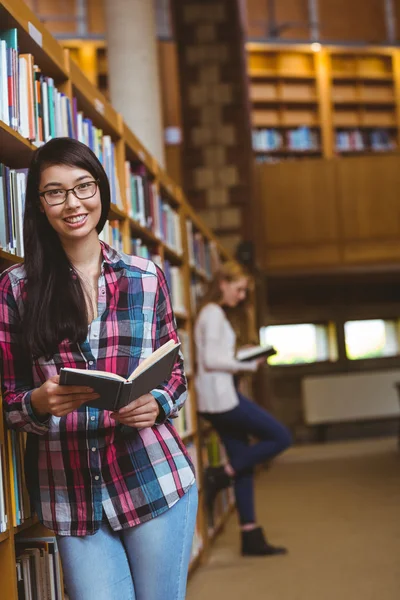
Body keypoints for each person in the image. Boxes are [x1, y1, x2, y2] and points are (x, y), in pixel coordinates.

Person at [0, 138, 197, 600]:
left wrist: (159, 403)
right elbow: (10, 400)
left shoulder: (145, 276)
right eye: (55, 192)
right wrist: (38, 403)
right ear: (39, 205)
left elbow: (175, 374)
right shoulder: (16, 288)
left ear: (101, 190)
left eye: (83, 186)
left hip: (152, 476)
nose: (73, 203)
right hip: (71, 493)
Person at [194, 261, 291, 557]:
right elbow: (211, 360)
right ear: (222, 283)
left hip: (220, 395)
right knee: (281, 436)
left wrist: (243, 356)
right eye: (239, 289)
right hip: (221, 399)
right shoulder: (212, 314)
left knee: (243, 462)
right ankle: (220, 474)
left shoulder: (215, 315)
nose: (242, 295)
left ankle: (250, 535)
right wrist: (247, 363)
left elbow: (218, 355)